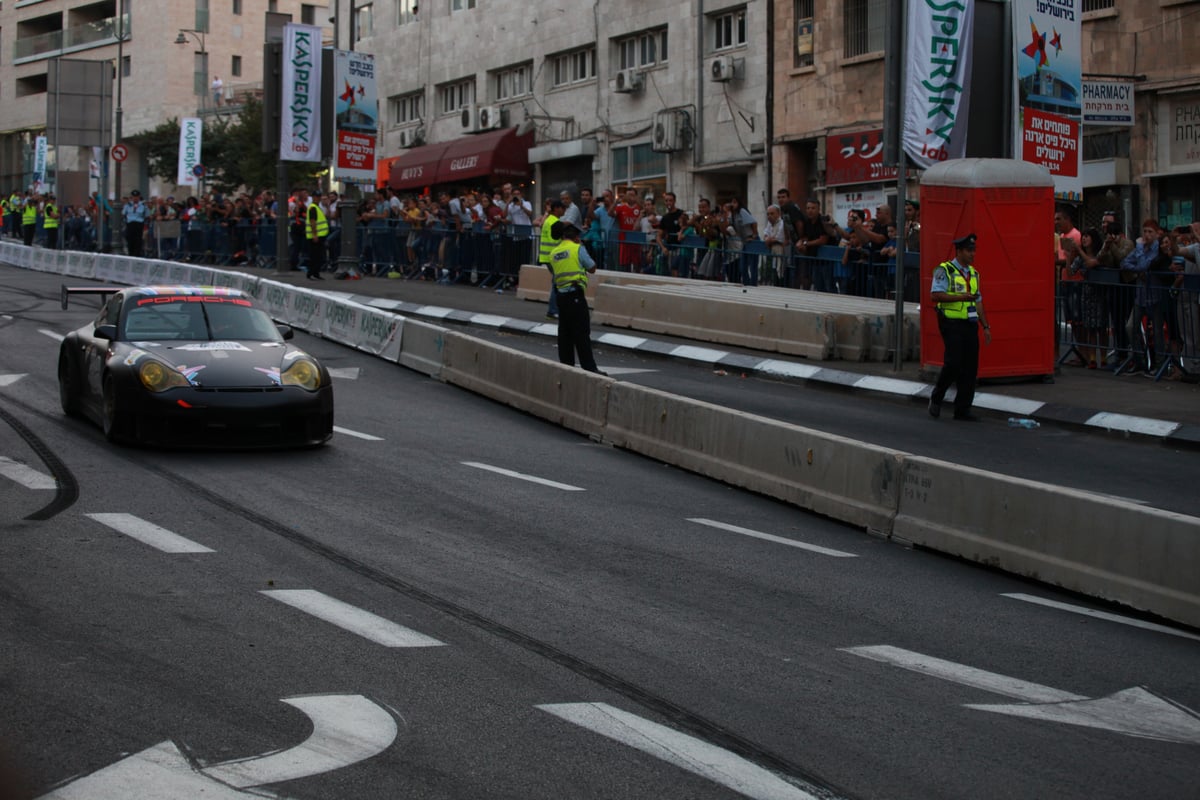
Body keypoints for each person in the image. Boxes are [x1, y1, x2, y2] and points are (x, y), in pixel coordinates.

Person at [928, 233, 992, 421]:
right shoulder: (943, 270)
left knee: (970, 367)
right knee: (954, 363)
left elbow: (978, 302)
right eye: (969, 251)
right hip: (950, 322)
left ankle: (963, 409)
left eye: (974, 250)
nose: (973, 254)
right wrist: (961, 297)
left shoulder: (974, 274)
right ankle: (937, 396)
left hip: (970, 323)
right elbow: (935, 295)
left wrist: (986, 326)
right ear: (959, 251)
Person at [547, 220, 604, 375]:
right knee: (582, 332)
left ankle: (566, 366)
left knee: (565, 332)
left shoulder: (554, 253)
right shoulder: (577, 248)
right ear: (575, 236)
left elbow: (554, 271)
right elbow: (592, 267)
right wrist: (581, 246)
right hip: (575, 295)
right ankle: (589, 368)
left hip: (561, 296)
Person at [539, 198, 564, 319]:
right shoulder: (555, 222)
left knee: (556, 283)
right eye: (562, 208)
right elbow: (557, 241)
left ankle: (554, 309)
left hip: (547, 257)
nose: (563, 210)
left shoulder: (549, 220)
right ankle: (553, 310)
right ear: (556, 209)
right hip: (554, 258)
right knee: (557, 284)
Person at [300, 188, 327, 280]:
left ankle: (315, 273)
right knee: (315, 255)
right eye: (316, 197)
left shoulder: (316, 207)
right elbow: (313, 222)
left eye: (319, 196)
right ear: (313, 197)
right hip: (315, 236)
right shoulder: (313, 208)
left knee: (318, 255)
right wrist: (315, 234)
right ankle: (311, 272)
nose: (318, 198)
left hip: (319, 235)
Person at [122, 190, 147, 257]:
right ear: (132, 197)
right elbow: (124, 214)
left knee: (138, 240)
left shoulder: (143, 205)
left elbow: (147, 215)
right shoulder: (128, 205)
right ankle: (131, 253)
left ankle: (137, 254)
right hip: (130, 223)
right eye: (134, 197)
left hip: (139, 223)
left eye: (137, 197)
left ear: (139, 197)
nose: (135, 198)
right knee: (130, 239)